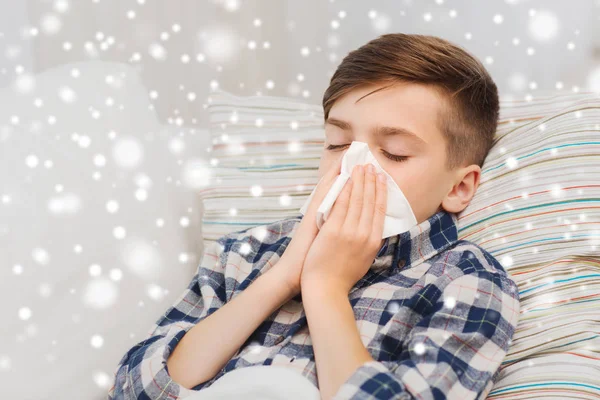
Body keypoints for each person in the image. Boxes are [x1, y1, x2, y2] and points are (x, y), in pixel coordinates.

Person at [108, 33, 520, 400]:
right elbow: (134, 389)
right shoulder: (243, 254)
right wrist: (283, 277)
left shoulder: (468, 282)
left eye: (394, 152)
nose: (354, 168)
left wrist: (325, 287)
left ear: (458, 187)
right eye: (339, 143)